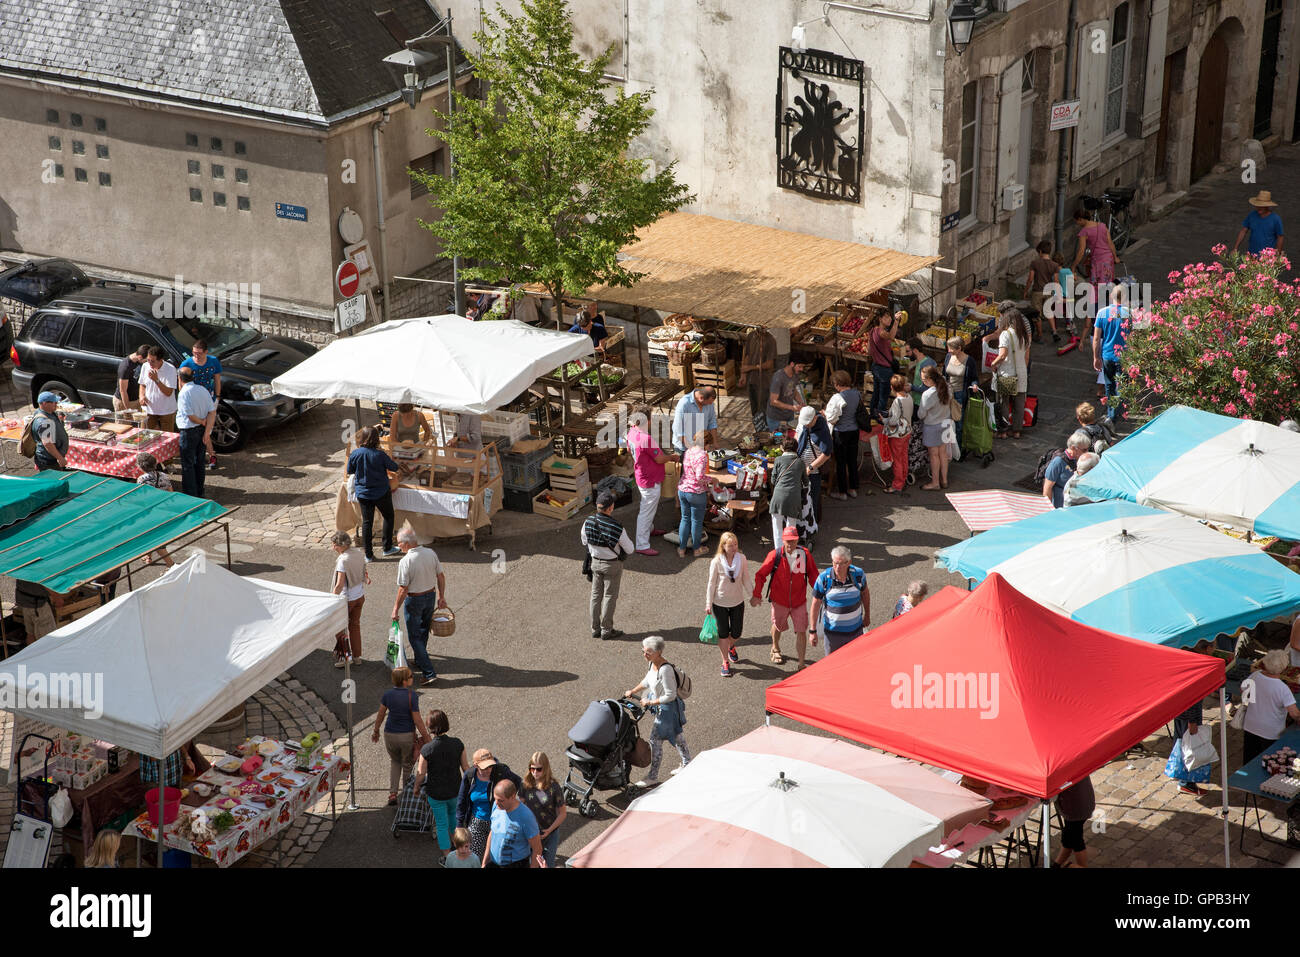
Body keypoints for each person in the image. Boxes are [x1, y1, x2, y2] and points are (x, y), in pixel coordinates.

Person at [627, 635, 692, 786]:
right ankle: (687, 763)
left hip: (668, 711)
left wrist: (650, 701)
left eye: (648, 652)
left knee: (655, 740)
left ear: (658, 652)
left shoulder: (665, 670)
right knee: (677, 736)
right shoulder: (652, 664)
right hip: (666, 710)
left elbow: (670, 695)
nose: (645, 654)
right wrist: (633, 690)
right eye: (643, 651)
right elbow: (647, 680)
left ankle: (652, 776)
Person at [752, 525, 819, 668]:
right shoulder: (774, 555)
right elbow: (760, 575)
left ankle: (801, 664)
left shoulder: (805, 554)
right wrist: (757, 594)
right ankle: (775, 648)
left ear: (797, 540)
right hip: (779, 601)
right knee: (778, 626)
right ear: (782, 540)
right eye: (787, 541)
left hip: (799, 601)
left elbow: (813, 574)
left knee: (801, 630)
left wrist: (821, 593)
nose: (790, 544)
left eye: (793, 541)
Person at [390, 522, 446, 685]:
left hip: (414, 600)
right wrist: (441, 596)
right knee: (423, 630)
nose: (398, 545)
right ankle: (420, 660)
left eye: (399, 542)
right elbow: (441, 576)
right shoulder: (430, 553)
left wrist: (395, 609)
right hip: (430, 596)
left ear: (406, 544)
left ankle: (428, 672)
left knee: (414, 636)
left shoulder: (405, 561)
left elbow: (403, 589)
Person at [370, 666, 432, 805]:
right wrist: (426, 737)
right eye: (410, 676)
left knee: (395, 761)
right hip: (406, 736)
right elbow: (417, 719)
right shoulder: (412, 696)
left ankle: (392, 793)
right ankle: (406, 793)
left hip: (389, 734)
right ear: (404, 681)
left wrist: (376, 731)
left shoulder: (387, 695)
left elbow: (381, 714)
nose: (412, 678)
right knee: (407, 764)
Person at [413, 708, 468, 854]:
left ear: (430, 728)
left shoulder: (427, 749)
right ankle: (459, 848)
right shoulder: (458, 744)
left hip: (436, 794)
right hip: (455, 791)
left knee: (442, 824)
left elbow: (421, 773)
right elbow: (466, 768)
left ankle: (447, 856)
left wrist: (416, 787)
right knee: (454, 821)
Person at [581, 491, 634, 640]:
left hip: (595, 563)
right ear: (610, 508)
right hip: (612, 565)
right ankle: (606, 630)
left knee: (595, 596)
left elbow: (584, 541)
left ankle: (595, 628)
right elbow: (630, 549)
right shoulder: (617, 528)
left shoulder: (588, 521)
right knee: (609, 596)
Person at [347, 426, 401, 561]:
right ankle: (387, 548)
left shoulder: (355, 453)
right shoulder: (380, 454)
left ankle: (368, 555)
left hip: (363, 493)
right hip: (381, 491)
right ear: (377, 439)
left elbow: (350, 470)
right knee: (388, 516)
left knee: (367, 522)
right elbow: (394, 467)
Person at [457, 749, 523, 860]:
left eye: (490, 766)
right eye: (484, 768)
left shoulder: (501, 771)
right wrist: (459, 825)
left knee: (497, 855)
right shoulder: (469, 776)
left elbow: (519, 782)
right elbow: (461, 800)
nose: (488, 770)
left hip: (498, 821)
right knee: (473, 856)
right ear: (476, 765)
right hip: (477, 821)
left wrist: (511, 799)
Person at [1239, 649, 1300, 763]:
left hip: (1251, 725)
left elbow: (1243, 691)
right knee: (1267, 762)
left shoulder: (1255, 675)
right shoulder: (1282, 688)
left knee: (1249, 759)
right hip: (1270, 731)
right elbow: (1294, 714)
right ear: (1283, 668)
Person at [625, 403, 670, 556]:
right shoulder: (646, 438)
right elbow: (660, 459)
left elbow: (627, 450)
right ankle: (642, 544)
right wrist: (672, 457)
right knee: (646, 511)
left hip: (641, 475)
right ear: (647, 421)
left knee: (648, 507)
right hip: (650, 479)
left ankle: (649, 529)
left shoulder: (631, 433)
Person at [706, 531, 752, 677]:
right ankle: (725, 661)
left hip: (737, 602)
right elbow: (711, 584)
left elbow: (746, 579)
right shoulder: (716, 562)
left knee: (737, 632)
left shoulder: (742, 559)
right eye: (730, 545)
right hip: (720, 603)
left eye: (735, 544)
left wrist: (753, 595)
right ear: (723, 546)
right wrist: (708, 603)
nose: (734, 548)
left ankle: (731, 645)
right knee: (723, 634)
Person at [810, 545, 869, 656]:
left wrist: (867, 615)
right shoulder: (823, 578)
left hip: (856, 632)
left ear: (849, 562)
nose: (837, 567)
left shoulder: (859, 575)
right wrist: (812, 631)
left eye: (841, 563)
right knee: (833, 666)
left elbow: (865, 594)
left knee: (856, 663)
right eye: (835, 563)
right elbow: (815, 604)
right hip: (833, 635)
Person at [1093, 283, 1131, 423]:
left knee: (1109, 385)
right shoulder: (1129, 313)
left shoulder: (1102, 313)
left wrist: (1096, 357)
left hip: (1108, 354)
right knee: (1121, 385)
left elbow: (1097, 338)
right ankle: (1118, 412)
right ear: (1125, 297)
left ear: (1111, 296)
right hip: (1125, 355)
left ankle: (1111, 414)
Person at [989, 303, 1029, 439]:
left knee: (1004, 402)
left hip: (1007, 372)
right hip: (1021, 373)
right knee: (1019, 403)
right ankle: (1017, 431)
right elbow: (1026, 355)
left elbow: (1002, 355)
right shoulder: (1024, 334)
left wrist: (993, 364)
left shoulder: (1006, 335)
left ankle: (1003, 431)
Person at [175, 367, 215, 498]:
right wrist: (207, 431)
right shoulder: (202, 390)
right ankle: (200, 491)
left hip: (189, 432)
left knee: (188, 464)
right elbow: (212, 412)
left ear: (179, 378)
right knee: (199, 462)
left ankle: (190, 495)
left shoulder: (184, 393)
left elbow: (190, 416)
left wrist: (202, 423)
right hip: (201, 431)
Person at [521, 752, 567, 868]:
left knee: (548, 864)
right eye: (532, 769)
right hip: (531, 833)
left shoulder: (554, 787)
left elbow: (562, 813)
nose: (535, 772)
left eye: (539, 769)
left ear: (545, 768)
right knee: (531, 863)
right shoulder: (525, 784)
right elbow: (520, 807)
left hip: (550, 833)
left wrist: (549, 830)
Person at [484, 780, 544, 868]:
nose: (496, 803)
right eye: (495, 798)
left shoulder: (526, 816)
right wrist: (485, 862)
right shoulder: (496, 806)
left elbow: (537, 849)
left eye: (501, 800)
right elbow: (493, 833)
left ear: (512, 796)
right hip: (493, 864)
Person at [329, 531, 368, 666]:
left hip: (347, 599)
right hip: (359, 596)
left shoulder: (343, 560)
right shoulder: (358, 553)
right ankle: (357, 657)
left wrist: (331, 599)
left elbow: (339, 585)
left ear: (341, 545)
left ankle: (345, 658)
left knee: (338, 627)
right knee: (355, 626)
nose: (333, 548)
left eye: (334, 545)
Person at [824, 370, 862, 500]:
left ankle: (842, 492)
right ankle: (853, 488)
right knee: (852, 460)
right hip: (854, 431)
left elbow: (832, 418)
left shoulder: (837, 398)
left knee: (840, 462)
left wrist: (824, 413)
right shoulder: (857, 394)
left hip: (841, 432)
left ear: (837, 383)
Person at [1164, 700, 1214, 797]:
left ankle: (1177, 772)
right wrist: (1192, 721)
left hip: (1179, 710)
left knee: (1180, 742)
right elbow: (1192, 697)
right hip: (1188, 715)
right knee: (1190, 747)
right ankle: (1186, 783)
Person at [677, 430, 712, 557]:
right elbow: (699, 477)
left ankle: (682, 549)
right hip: (696, 492)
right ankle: (697, 549)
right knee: (696, 521)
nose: (709, 448)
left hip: (683, 489)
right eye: (709, 445)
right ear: (705, 443)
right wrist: (711, 479)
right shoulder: (702, 455)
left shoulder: (688, 451)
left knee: (685, 519)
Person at [917, 365, 952, 491]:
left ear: (929, 379)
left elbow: (921, 414)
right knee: (943, 453)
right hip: (945, 423)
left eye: (923, 380)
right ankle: (945, 480)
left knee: (934, 455)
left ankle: (935, 482)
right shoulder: (947, 387)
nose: (923, 382)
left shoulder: (927, 394)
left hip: (932, 426)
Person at [768, 435, 806, 547]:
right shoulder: (800, 462)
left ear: (782, 448)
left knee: (777, 526)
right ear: (796, 448)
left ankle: (779, 552)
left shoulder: (778, 460)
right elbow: (805, 481)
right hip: (794, 497)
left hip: (778, 497)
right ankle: (790, 548)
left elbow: (773, 480)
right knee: (791, 527)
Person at [795, 406, 832, 519]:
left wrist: (810, 468)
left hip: (813, 472)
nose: (806, 425)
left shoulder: (822, 431)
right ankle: (802, 522)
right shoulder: (803, 423)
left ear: (815, 418)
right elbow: (797, 434)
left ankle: (813, 523)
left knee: (813, 498)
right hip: (801, 468)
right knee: (801, 497)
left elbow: (826, 454)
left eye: (808, 423)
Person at [739, 326, 778, 429]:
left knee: (763, 409)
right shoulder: (751, 336)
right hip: (751, 379)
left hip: (764, 381)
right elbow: (747, 356)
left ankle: (764, 433)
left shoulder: (771, 340)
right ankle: (758, 431)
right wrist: (743, 374)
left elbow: (769, 364)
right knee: (754, 408)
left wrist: (750, 368)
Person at [1053, 775, 1096, 868]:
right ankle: (1057, 864)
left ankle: (1075, 866)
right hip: (1083, 801)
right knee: (1070, 835)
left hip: (1075, 807)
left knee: (1075, 839)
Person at [1024, 240, 1061, 342]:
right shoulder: (1055, 265)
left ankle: (1039, 335)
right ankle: (1054, 331)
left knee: (1037, 314)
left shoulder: (1035, 263)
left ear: (1040, 251)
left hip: (1037, 292)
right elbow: (1056, 281)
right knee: (1049, 312)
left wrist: (1026, 291)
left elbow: (1030, 279)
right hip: (1049, 292)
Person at [867, 310, 901, 421]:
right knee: (883, 396)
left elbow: (869, 350)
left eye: (890, 317)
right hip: (884, 369)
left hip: (876, 366)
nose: (890, 319)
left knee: (876, 393)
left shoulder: (872, 331)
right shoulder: (881, 332)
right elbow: (891, 336)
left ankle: (873, 414)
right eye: (886, 317)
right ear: (880, 319)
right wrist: (896, 321)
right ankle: (880, 418)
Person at [1072, 206, 1118, 286]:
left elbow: (1081, 251)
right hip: (1108, 259)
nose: (1077, 224)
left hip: (1098, 261)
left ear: (1080, 219)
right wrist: (1115, 257)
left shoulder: (1084, 232)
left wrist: (1074, 265)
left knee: (1097, 286)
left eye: (1077, 221)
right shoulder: (1102, 226)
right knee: (1108, 284)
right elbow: (1110, 243)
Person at [882, 374, 913, 494]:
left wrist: (884, 420)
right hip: (907, 431)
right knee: (904, 456)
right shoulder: (909, 397)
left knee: (897, 459)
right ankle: (903, 478)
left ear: (892, 387)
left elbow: (893, 421)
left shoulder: (896, 402)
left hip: (898, 434)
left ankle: (897, 484)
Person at [1044, 431, 1091, 508]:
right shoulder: (1058, 462)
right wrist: (1049, 509)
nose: (1087, 452)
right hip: (1060, 505)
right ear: (1073, 448)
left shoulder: (1078, 459)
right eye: (1084, 450)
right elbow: (1047, 488)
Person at [137, 346, 178, 433]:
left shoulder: (170, 369)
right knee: (145, 435)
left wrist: (156, 380)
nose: (150, 363)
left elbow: (168, 392)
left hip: (166, 411)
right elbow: (142, 384)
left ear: (161, 360)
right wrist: (141, 396)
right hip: (148, 410)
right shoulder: (145, 366)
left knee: (167, 439)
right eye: (148, 360)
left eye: (153, 361)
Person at [1233, 190, 1285, 255]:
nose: (1258, 208)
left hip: (1267, 257)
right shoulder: (1252, 215)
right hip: (1252, 254)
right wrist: (1235, 248)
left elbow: (1280, 237)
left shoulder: (1275, 219)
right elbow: (1243, 230)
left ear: (1267, 206)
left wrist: (1278, 253)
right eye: (1257, 205)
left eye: (1261, 206)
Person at [671, 386, 717, 457]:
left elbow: (712, 422)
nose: (710, 405)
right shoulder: (684, 404)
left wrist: (715, 443)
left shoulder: (709, 403)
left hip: (701, 447)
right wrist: (693, 450)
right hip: (684, 449)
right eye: (708, 403)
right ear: (701, 398)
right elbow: (678, 431)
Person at [30, 392, 68, 472]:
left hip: (50, 458)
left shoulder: (45, 412)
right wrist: (60, 458)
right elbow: (48, 443)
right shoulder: (44, 422)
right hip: (49, 461)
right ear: (44, 403)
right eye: (54, 402)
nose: (57, 404)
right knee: (55, 482)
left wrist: (60, 421)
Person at [766, 359, 807, 430]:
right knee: (778, 440)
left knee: (789, 438)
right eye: (799, 366)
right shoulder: (778, 377)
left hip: (789, 416)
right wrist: (792, 407)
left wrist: (801, 402)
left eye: (803, 367)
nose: (801, 369)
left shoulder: (795, 375)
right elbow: (773, 401)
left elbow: (794, 391)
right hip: (776, 418)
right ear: (792, 364)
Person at [115, 344, 148, 416]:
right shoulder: (125, 367)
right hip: (124, 402)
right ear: (140, 357)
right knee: (124, 426)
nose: (148, 362)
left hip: (136, 400)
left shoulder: (140, 362)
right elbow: (123, 391)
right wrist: (129, 410)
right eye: (146, 360)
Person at [906, 337, 936, 405]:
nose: (907, 354)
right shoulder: (921, 361)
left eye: (908, 351)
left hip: (922, 403)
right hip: (917, 401)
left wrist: (911, 387)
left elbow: (928, 387)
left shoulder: (926, 364)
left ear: (915, 350)